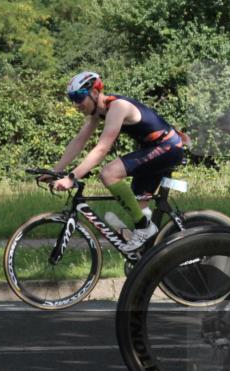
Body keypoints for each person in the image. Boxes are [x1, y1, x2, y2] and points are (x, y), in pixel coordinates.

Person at [48, 72, 186, 251]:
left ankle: (145, 229)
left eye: (79, 97)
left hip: (168, 147)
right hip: (157, 149)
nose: (76, 104)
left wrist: (71, 177)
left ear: (95, 93)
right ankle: (149, 254)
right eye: (72, 98)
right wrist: (54, 170)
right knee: (138, 204)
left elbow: (102, 149)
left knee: (109, 173)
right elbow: (78, 141)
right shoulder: (98, 114)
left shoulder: (117, 107)